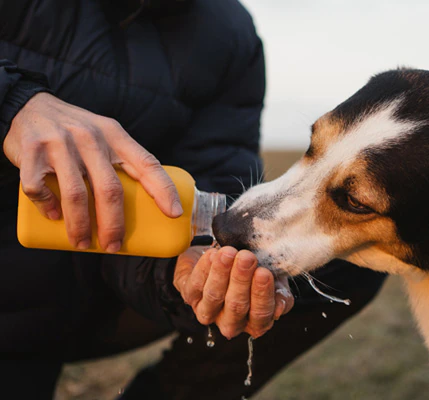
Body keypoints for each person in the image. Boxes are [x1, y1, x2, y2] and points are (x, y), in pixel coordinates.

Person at [0, 0, 387, 399]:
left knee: (328, 264)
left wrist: (187, 269)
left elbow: (210, 181)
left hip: (64, 307)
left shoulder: (229, 34)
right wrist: (13, 105)